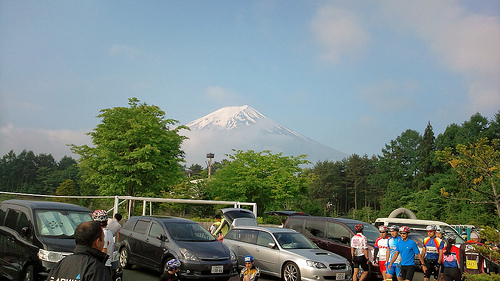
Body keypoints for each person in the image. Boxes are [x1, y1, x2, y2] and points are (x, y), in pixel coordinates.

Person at [46, 221, 113, 281]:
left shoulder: (61, 264)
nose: (104, 242)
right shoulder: (96, 269)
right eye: (103, 238)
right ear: (97, 242)